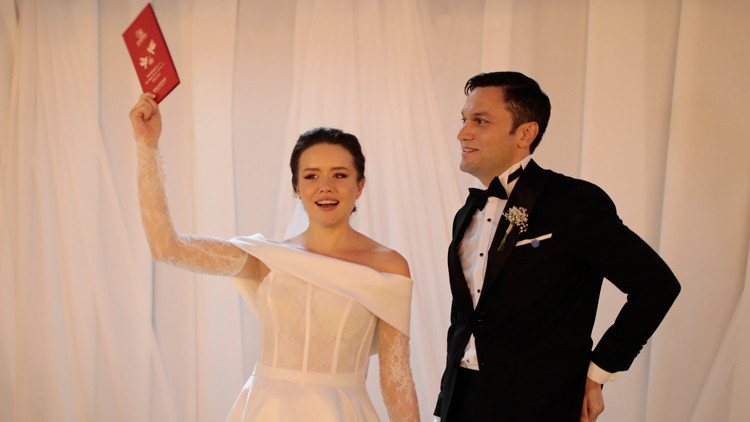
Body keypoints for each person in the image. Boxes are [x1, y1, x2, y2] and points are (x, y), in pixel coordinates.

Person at [129, 93, 420, 421]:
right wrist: (147, 146)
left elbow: (396, 381)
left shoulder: (387, 266)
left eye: (339, 175)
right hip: (265, 410)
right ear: (296, 187)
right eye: (311, 176)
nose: (325, 186)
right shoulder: (266, 258)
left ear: (360, 185)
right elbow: (167, 248)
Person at [433, 72, 681, 421]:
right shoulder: (467, 213)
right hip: (460, 401)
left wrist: (598, 373)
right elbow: (466, 316)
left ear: (525, 133)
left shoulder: (572, 201)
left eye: (480, 121)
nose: (463, 133)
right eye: (464, 120)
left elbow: (656, 286)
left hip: (539, 406)